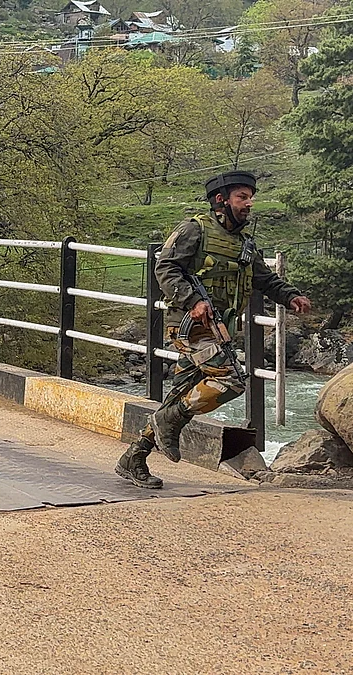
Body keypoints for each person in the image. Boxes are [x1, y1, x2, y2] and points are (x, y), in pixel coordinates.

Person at [116, 171, 312, 489]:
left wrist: (291, 297)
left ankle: (134, 457)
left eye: (251, 197)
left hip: (219, 329)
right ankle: (168, 422)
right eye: (242, 197)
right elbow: (165, 266)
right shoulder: (195, 230)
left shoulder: (245, 244)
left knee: (182, 397)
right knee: (231, 380)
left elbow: (264, 279)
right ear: (221, 200)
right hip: (188, 327)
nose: (249, 203)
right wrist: (192, 299)